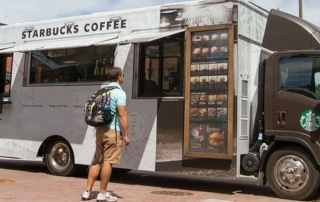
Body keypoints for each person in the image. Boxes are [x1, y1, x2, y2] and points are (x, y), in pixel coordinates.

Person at [81, 66, 130, 202]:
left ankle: (87, 191)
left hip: (99, 130)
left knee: (97, 160)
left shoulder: (101, 90)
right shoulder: (119, 93)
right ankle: (102, 193)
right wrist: (126, 134)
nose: (123, 77)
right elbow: (122, 114)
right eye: (123, 75)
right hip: (112, 131)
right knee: (108, 162)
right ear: (119, 77)